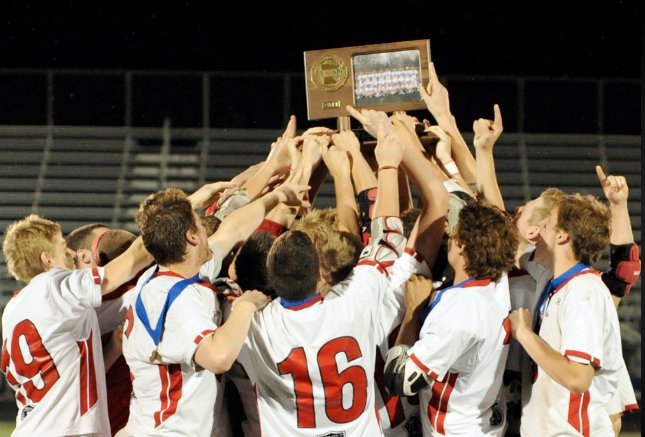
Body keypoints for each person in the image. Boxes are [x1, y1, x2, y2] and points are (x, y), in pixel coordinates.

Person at [235, 125, 419, 435]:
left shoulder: (252, 325)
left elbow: (229, 247)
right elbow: (388, 239)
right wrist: (386, 164)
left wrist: (302, 168)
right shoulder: (355, 301)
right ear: (319, 273)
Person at [120, 182, 308, 436]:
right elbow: (219, 357)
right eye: (200, 224)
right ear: (192, 237)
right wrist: (246, 306)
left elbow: (233, 229)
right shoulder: (176, 300)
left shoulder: (177, 272)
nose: (208, 229)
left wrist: (278, 196)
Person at [1, 214, 151, 436]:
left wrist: (112, 350)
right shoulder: (55, 284)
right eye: (62, 245)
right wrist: (170, 220)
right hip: (65, 430)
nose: (70, 252)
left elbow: (65, 371)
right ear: (48, 259)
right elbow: (126, 265)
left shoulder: (13, 307)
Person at [384, 199, 517, 437]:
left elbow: (399, 379)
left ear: (463, 246)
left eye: (454, 234)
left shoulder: (461, 310)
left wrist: (412, 312)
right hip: (484, 421)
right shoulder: (498, 281)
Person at [509, 193, 622, 436]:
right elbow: (512, 249)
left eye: (546, 222)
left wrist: (524, 333)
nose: (538, 229)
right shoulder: (557, 283)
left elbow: (577, 378)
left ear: (562, 236)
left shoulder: (583, 292)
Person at [66, 223, 141, 436]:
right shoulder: (69, 308)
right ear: (84, 256)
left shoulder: (138, 287)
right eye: (106, 242)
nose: (117, 249)